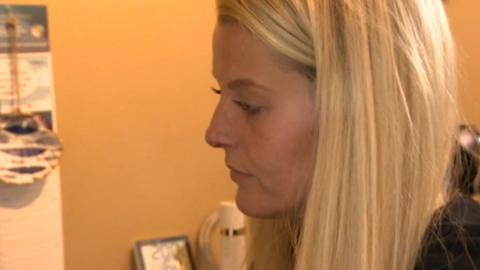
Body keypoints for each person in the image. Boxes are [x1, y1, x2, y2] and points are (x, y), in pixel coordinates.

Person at [204, 0, 474, 269]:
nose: (214, 134)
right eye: (219, 92)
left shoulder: (457, 259)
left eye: (249, 105)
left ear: (353, 115)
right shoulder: (301, 244)